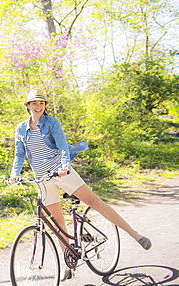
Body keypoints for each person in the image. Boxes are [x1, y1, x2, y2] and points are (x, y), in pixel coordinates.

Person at [9, 89, 152, 282]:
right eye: (34, 103)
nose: (38, 106)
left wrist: (65, 167)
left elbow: (62, 146)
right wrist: (14, 175)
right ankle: (68, 263)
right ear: (27, 106)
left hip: (61, 172)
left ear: (45, 106)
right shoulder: (21, 128)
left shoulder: (52, 123)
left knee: (95, 202)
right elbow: (19, 155)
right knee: (58, 224)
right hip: (42, 179)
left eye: (41, 103)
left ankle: (135, 235)